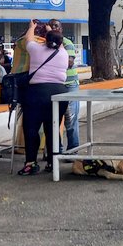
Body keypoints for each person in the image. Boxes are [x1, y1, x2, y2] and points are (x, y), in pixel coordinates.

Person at [17, 20, 69, 176]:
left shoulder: (36, 50)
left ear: (46, 40)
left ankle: (30, 163)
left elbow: (28, 39)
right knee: (53, 127)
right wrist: (49, 31)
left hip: (37, 93)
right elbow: (57, 43)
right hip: (59, 93)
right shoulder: (63, 53)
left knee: (31, 128)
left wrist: (32, 27)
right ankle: (53, 163)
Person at [48, 19, 81, 151]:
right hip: (54, 86)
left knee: (71, 119)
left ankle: (73, 149)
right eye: (51, 26)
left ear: (61, 29)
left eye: (56, 26)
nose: (53, 28)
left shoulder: (67, 43)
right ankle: (57, 150)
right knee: (54, 120)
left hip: (70, 85)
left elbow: (69, 63)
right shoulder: (46, 45)